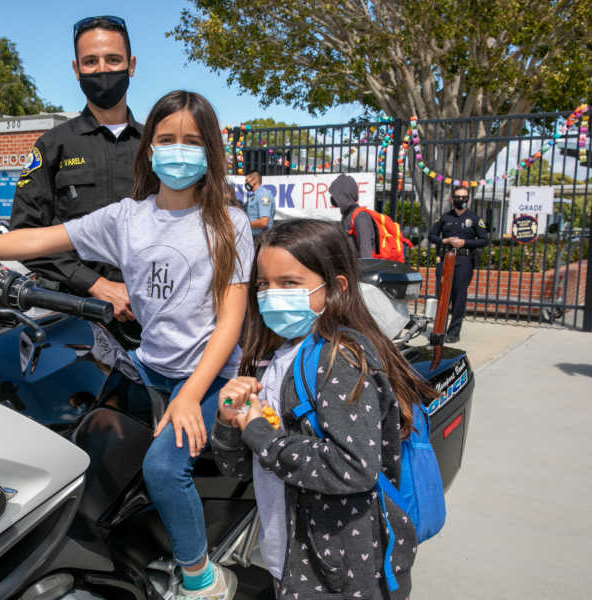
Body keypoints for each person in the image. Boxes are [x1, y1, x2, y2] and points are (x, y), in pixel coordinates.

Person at [0, 90, 254, 600]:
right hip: (146, 364)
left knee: (164, 468)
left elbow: (230, 323)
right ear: (149, 149)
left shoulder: (228, 224)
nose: (178, 150)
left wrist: (191, 395)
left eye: (192, 141)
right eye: (167, 139)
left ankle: (202, 579)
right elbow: (41, 239)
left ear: (211, 150)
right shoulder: (127, 218)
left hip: (211, 375)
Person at [210, 219, 438, 600]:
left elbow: (353, 467)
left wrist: (259, 432)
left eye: (289, 283)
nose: (270, 295)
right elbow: (243, 467)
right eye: (264, 284)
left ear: (336, 288)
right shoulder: (276, 356)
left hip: (342, 574)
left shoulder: (339, 358)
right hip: (293, 559)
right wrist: (229, 421)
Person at [8, 15, 142, 322]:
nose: (103, 70)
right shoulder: (53, 146)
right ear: (76, 69)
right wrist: (96, 284)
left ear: (131, 65)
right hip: (75, 313)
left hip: (152, 317)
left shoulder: (156, 145)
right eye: (91, 61)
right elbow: (26, 233)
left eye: (113, 59)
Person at [428, 186, 489, 343]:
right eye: (458, 197)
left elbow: (484, 240)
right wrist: (445, 240)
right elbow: (431, 235)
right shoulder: (445, 217)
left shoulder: (474, 219)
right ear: (451, 198)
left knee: (458, 296)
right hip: (446, 259)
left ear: (468, 199)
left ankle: (453, 332)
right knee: (442, 295)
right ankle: (439, 329)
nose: (461, 200)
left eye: (464, 197)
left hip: (464, 260)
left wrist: (465, 243)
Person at [329, 173, 375, 259]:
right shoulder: (347, 216)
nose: (333, 199)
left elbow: (366, 254)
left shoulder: (360, 217)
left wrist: (363, 271)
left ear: (343, 196)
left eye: (335, 196)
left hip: (362, 270)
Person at [244, 170, 276, 236]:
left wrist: (243, 225)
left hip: (261, 238)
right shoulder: (253, 196)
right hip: (253, 237)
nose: (246, 183)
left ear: (255, 180)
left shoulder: (263, 195)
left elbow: (264, 222)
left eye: (247, 180)